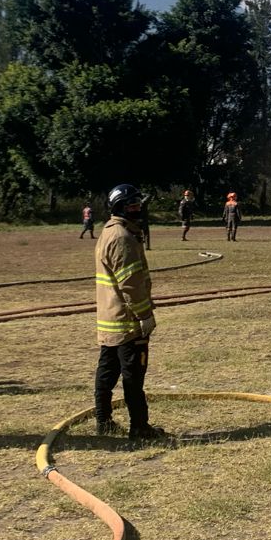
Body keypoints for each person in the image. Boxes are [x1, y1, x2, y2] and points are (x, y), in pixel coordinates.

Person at [94, 182, 164, 441]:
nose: (138, 208)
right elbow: (131, 284)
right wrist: (145, 315)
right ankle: (139, 427)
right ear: (121, 208)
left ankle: (104, 422)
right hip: (127, 320)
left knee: (107, 372)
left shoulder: (110, 232)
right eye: (133, 204)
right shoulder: (122, 238)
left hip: (111, 318)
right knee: (133, 376)